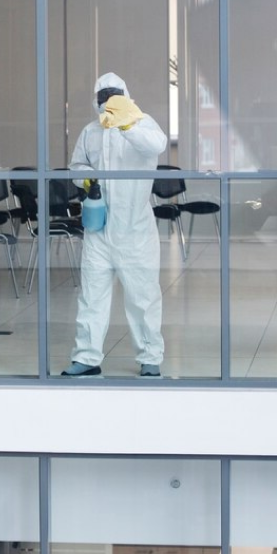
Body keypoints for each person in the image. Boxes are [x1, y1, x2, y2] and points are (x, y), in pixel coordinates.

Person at [62, 72, 168, 378]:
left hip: (135, 230)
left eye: (113, 95)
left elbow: (157, 146)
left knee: (143, 297)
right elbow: (76, 165)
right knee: (91, 297)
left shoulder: (143, 123)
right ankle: (86, 357)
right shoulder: (90, 131)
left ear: (125, 95)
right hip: (99, 228)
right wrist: (86, 178)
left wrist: (127, 124)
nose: (107, 100)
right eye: (103, 96)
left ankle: (150, 358)